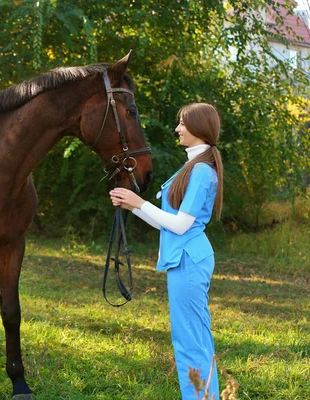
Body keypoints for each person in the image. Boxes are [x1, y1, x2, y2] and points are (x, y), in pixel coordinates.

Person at [110, 103, 224, 400]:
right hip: (185, 259)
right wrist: (131, 205)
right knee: (193, 336)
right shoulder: (193, 167)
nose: (177, 129)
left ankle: (200, 397)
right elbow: (169, 223)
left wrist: (139, 202)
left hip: (189, 259)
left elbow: (181, 225)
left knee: (190, 340)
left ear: (199, 128)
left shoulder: (200, 170)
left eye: (183, 123)